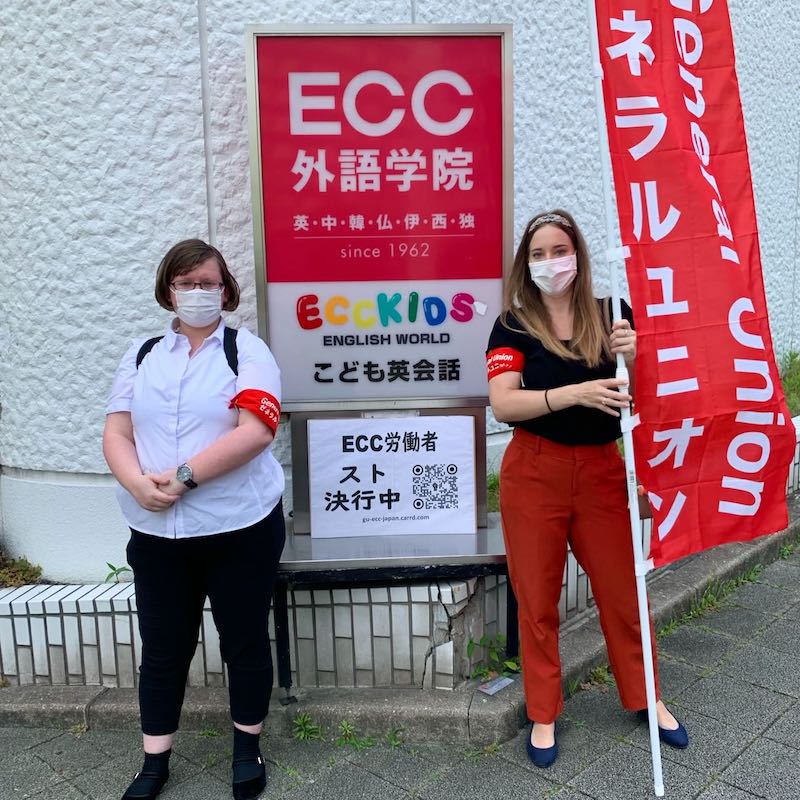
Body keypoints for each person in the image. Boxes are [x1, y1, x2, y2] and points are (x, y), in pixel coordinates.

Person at [486, 210, 689, 768]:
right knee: (538, 599)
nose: (552, 262)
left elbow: (641, 398)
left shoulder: (612, 315)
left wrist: (637, 352)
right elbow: (504, 402)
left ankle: (647, 695)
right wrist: (571, 394)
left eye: (560, 250)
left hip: (602, 471)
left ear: (578, 254)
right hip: (534, 471)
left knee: (624, 592)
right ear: (526, 264)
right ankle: (544, 710)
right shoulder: (513, 324)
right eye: (539, 253)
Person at [103, 239, 286, 800]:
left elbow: (256, 430)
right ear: (168, 291)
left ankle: (246, 746)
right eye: (187, 284)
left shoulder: (246, 351)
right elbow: (117, 431)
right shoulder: (141, 354)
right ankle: (154, 761)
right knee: (162, 646)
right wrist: (137, 484)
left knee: (244, 641)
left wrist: (182, 478)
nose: (198, 293)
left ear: (226, 290)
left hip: (239, 528)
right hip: (158, 534)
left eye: (209, 283)